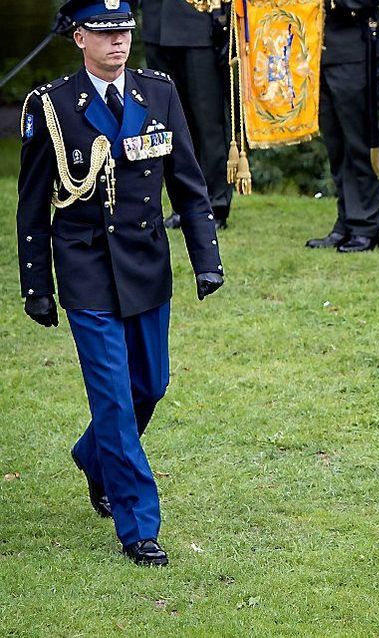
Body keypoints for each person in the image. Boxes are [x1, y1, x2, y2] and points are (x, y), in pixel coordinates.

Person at [16, 0, 224, 566]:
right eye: (106, 33)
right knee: (112, 397)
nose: (119, 42)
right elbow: (32, 203)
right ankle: (139, 526)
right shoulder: (54, 105)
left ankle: (94, 456)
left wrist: (206, 258)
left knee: (149, 386)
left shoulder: (157, 92)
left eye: (125, 32)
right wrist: (36, 281)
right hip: (85, 267)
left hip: (146, 265)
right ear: (80, 37)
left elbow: (187, 181)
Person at [305, 0, 379, 253]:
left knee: (360, 140)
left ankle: (366, 224)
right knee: (336, 144)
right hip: (320, 47)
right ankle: (346, 221)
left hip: (357, 45)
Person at [140, 0, 233, 230]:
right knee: (167, 124)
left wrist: (224, 19)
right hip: (156, 24)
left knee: (207, 121)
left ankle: (214, 203)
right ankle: (182, 204)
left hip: (199, 26)